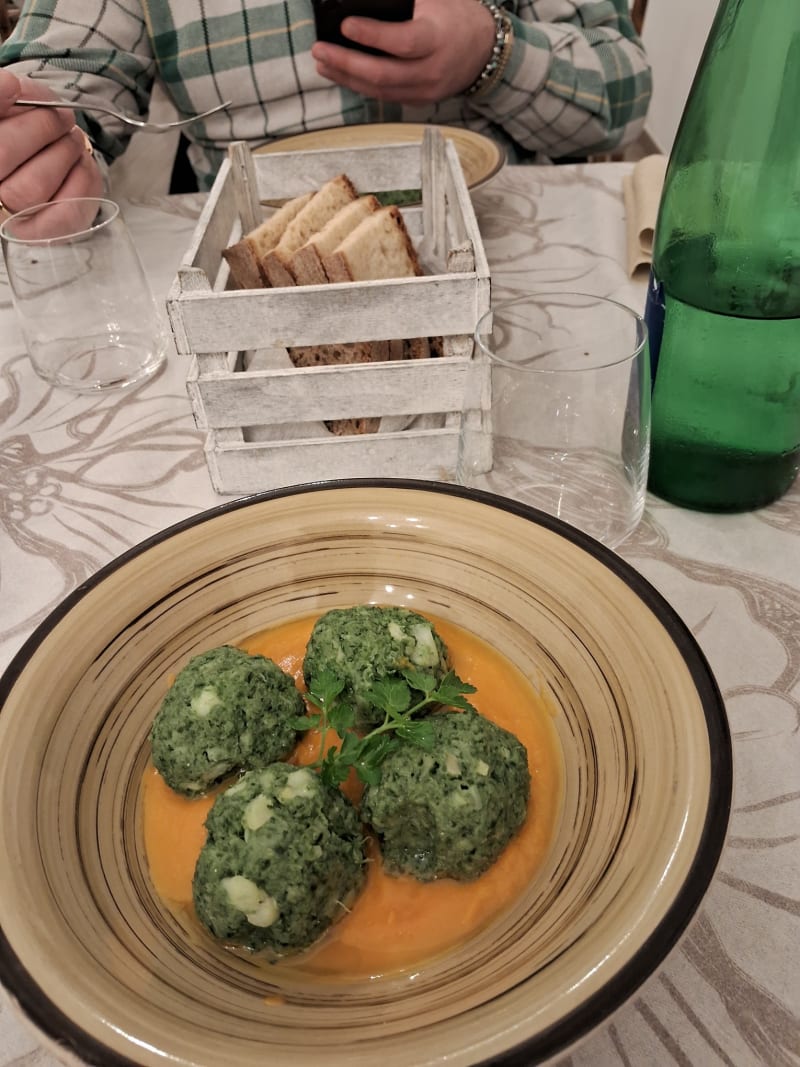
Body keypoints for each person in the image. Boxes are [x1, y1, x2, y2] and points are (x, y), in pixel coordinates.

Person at [0, 0, 651, 220]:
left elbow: (621, 95)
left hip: (500, 241)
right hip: (253, 270)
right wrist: (38, 136)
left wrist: (494, 51)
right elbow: (66, 72)